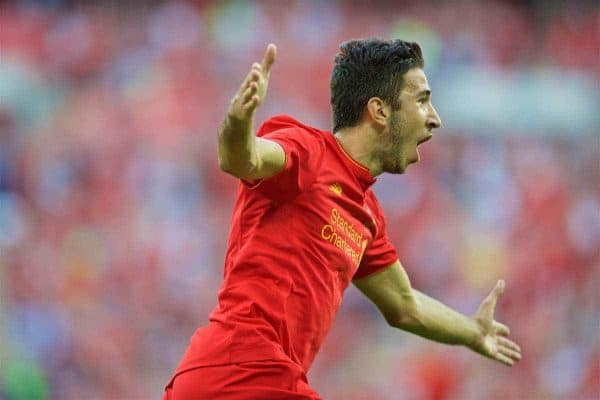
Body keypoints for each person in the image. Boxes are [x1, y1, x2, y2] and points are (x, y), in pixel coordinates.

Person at [163, 38, 521, 399]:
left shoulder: (366, 213)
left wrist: (472, 332)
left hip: (248, 379)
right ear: (379, 111)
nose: (435, 118)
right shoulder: (308, 151)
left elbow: (405, 306)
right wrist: (237, 122)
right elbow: (244, 159)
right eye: (422, 100)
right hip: (239, 369)